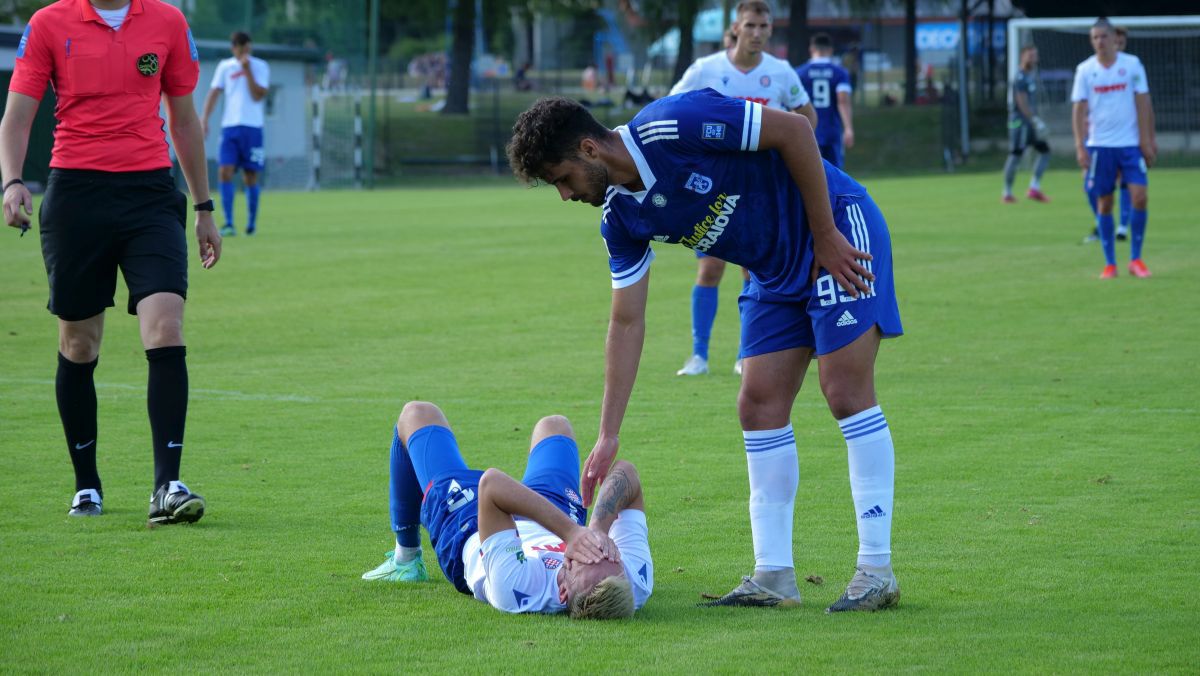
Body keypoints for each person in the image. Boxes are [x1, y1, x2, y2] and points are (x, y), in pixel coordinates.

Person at [507, 91, 902, 612]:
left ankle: (876, 570)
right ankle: (774, 575)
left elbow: (795, 131)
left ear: (589, 149)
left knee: (844, 391)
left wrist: (825, 232)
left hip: (833, 226)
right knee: (757, 403)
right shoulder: (620, 217)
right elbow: (626, 321)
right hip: (772, 269)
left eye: (562, 178)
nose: (564, 194)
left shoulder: (675, 124)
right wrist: (607, 434)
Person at [1, 0, 220, 524]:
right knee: (79, 342)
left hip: (149, 194)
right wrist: (11, 181)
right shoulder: (49, 23)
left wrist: (204, 207)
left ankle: (167, 486)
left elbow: (184, 121)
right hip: (76, 196)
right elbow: (16, 118)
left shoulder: (167, 21)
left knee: (166, 325)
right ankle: (87, 485)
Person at [362, 402, 653, 619]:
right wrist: (598, 530)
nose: (594, 551)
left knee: (416, 414)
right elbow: (627, 472)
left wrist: (573, 532)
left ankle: (406, 559)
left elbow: (492, 486)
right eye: (605, 553)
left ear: (563, 592)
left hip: (474, 526)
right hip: (554, 515)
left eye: (580, 560)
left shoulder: (517, 589)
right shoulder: (634, 583)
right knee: (555, 426)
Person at [668, 0, 817, 378]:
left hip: (761, 189)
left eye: (764, 26)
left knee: (754, 270)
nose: (757, 33)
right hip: (712, 187)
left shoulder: (781, 72)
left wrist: (793, 156)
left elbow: (807, 116)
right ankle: (698, 355)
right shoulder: (707, 70)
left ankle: (745, 353)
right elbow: (670, 106)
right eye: (750, 25)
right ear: (736, 28)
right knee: (711, 267)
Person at [1071, 18, 1156, 279]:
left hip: (1129, 145)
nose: (1099, 42)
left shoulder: (1131, 65)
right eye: (1094, 38)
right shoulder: (1085, 70)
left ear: (1113, 38)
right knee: (1105, 203)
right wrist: (1080, 146)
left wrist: (1146, 140)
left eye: (1103, 37)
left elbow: (1143, 102)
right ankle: (1110, 264)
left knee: (1140, 196)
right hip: (1100, 146)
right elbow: (1078, 108)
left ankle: (1136, 259)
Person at [202, 31, 269, 237]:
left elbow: (259, 95)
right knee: (225, 171)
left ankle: (251, 224)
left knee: (250, 175)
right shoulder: (225, 67)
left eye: (247, 48)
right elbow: (214, 92)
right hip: (230, 127)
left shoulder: (259, 66)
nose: (244, 52)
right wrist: (204, 119)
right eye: (241, 48)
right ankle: (229, 223)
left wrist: (247, 71)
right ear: (234, 49)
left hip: (253, 128)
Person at [1082, 25, 1134, 243]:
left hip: (1125, 139)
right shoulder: (1091, 69)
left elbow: (1140, 103)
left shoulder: (1131, 67)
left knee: (1125, 182)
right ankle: (1102, 222)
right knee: (1089, 183)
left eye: (1120, 42)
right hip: (1098, 138)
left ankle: (1121, 227)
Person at [795, 32, 855, 169]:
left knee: (809, 173)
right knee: (834, 174)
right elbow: (843, 101)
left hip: (807, 130)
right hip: (832, 131)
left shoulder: (800, 73)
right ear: (830, 50)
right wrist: (848, 128)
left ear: (811, 49)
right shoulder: (840, 73)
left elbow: (794, 104)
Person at [1001, 45, 1051, 204]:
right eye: (1030, 55)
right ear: (1022, 57)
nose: (1033, 58)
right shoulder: (1020, 77)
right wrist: (1034, 119)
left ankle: (1034, 188)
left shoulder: (1031, 76)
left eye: (1035, 55)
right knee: (1016, 154)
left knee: (1045, 151)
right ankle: (1007, 192)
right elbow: (1021, 101)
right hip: (1020, 122)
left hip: (1029, 123)